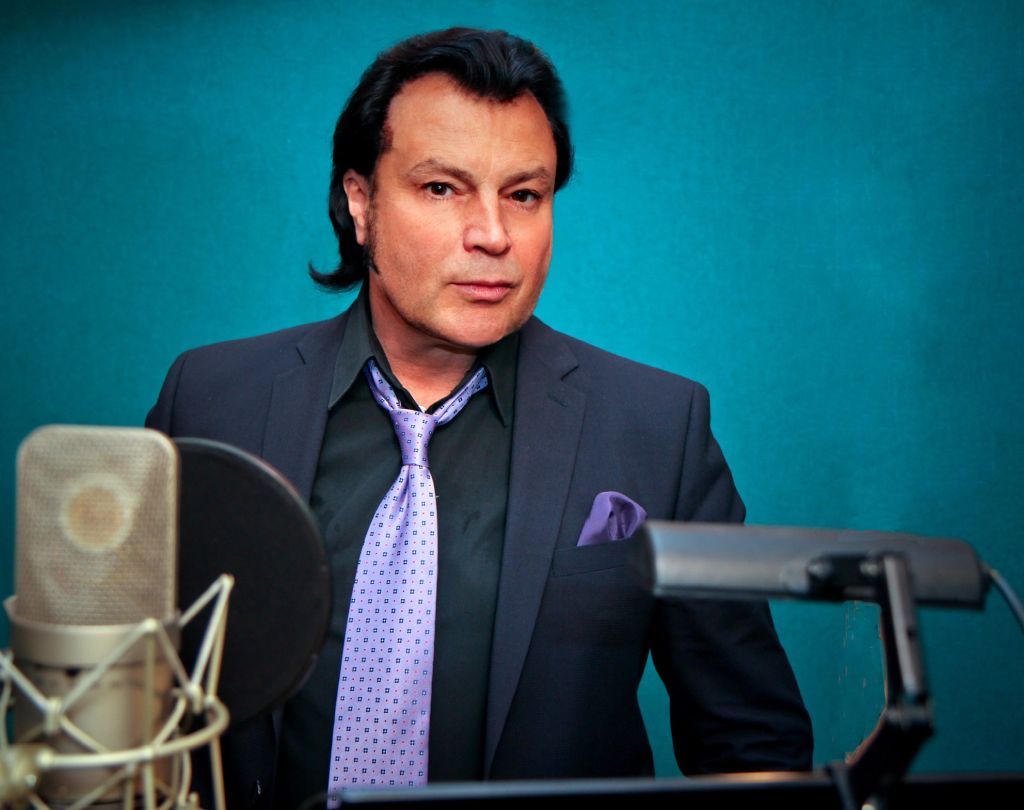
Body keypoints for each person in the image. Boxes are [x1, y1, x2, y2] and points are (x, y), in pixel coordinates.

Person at [146, 26, 813, 810]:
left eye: (524, 195)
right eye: (442, 189)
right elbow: (116, 696)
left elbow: (752, 746)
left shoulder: (659, 429)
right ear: (361, 201)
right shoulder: (211, 400)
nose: (493, 235)